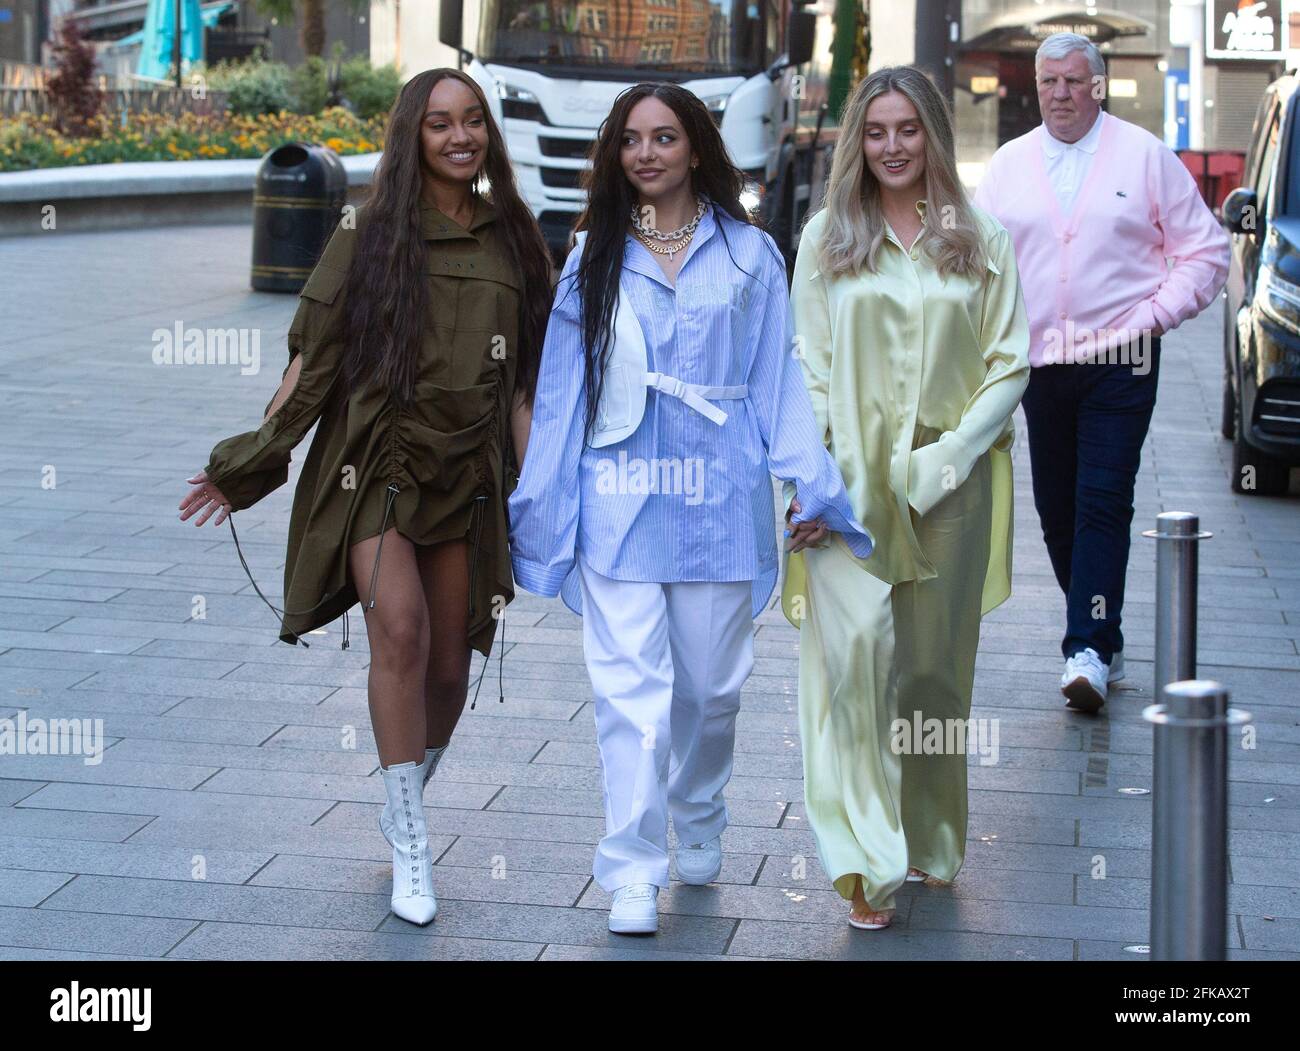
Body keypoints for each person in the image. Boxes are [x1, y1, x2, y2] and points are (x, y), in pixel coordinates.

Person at [178, 69, 553, 926]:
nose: (459, 137)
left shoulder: (513, 236)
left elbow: (525, 387)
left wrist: (546, 497)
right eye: (438, 125)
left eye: (471, 123)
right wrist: (250, 461)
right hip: (374, 463)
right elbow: (310, 363)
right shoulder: (369, 229)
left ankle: (402, 793)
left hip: (465, 477)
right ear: (410, 137)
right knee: (403, 630)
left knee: (454, 667)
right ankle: (412, 845)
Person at [508, 82, 874, 935]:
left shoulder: (751, 255)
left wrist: (807, 483)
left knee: (710, 691)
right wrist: (540, 501)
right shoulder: (593, 257)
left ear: (696, 147)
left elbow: (777, 381)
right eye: (631, 139)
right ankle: (632, 867)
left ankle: (699, 810)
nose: (646, 154)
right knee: (631, 696)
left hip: (720, 494)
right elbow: (563, 392)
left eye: (664, 137)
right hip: (620, 497)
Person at [783, 65, 1030, 930]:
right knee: (854, 673)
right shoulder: (825, 237)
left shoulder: (979, 237)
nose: (892, 147)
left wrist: (954, 455)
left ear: (934, 135)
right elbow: (806, 368)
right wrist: (810, 480)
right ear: (860, 139)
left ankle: (927, 836)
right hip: (846, 494)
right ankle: (866, 864)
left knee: (930, 677)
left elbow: (1011, 363)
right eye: (877, 131)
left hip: (949, 491)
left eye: (909, 130)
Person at [975, 32, 1230, 712]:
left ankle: (1084, 645)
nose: (1060, 93)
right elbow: (975, 264)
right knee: (1055, 509)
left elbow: (1205, 252)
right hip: (1042, 365)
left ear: (1099, 85)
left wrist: (1155, 315)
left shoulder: (1145, 156)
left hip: (1123, 359)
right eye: (1048, 81)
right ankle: (1102, 630)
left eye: (1073, 81)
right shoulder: (1008, 166)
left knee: (1102, 499)